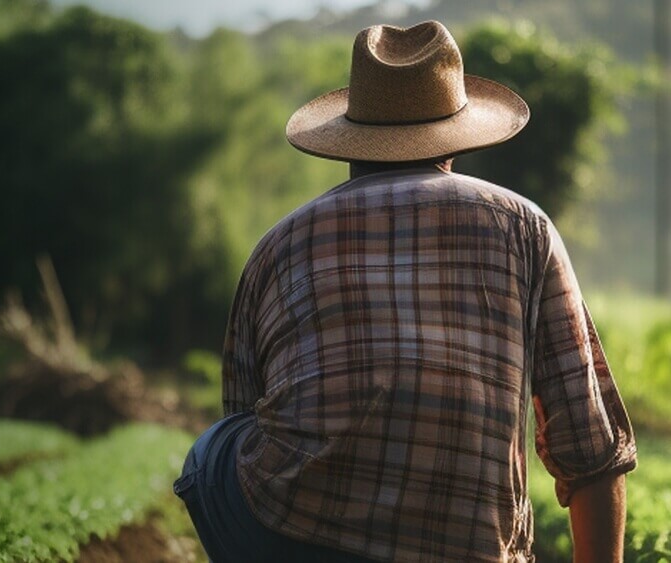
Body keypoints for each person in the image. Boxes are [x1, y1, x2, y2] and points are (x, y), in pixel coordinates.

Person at [175, 20, 637, 563]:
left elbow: (246, 410)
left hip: (300, 537)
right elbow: (591, 449)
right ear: (454, 142)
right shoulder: (525, 227)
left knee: (214, 450)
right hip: (473, 548)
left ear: (349, 142)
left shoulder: (278, 244)